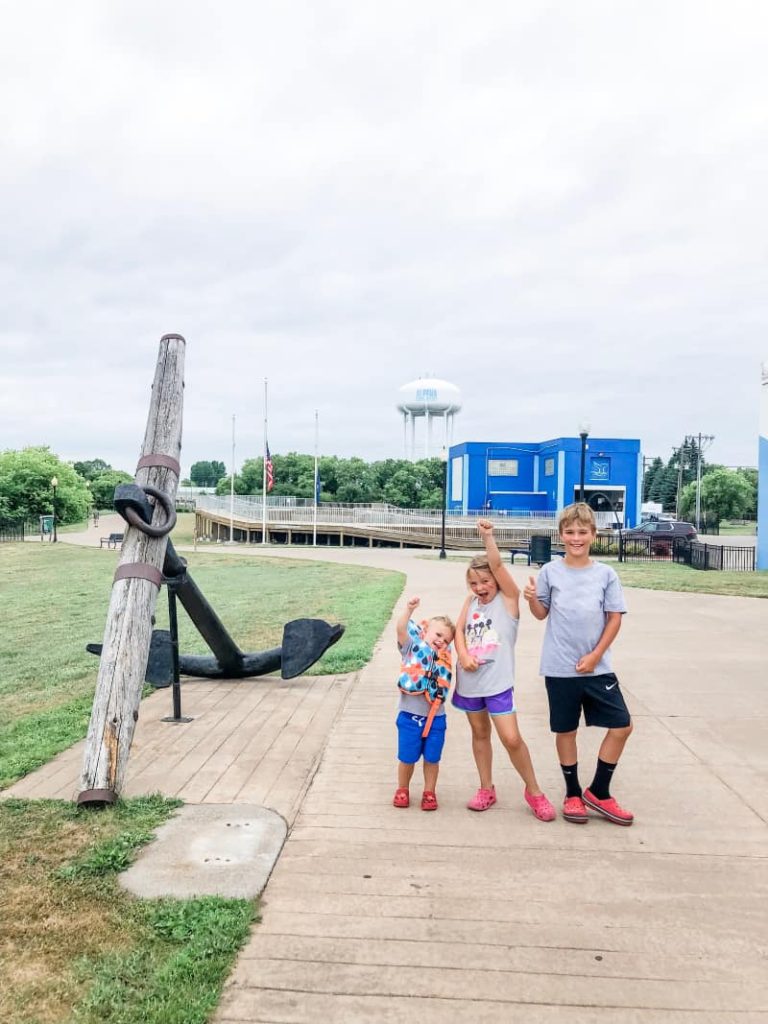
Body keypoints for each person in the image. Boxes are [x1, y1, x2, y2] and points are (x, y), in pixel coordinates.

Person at [523, 502, 634, 826]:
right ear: (561, 535)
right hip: (560, 667)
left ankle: (599, 790)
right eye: (569, 532)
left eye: (582, 532)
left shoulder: (605, 574)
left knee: (623, 724)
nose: (576, 538)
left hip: (597, 668)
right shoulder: (550, 572)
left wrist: (596, 655)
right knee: (566, 730)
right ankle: (573, 793)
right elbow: (541, 614)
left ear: (593, 535)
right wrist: (532, 599)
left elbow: (614, 618)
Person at [453, 519, 555, 821]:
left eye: (485, 581)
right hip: (469, 683)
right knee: (479, 733)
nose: (480, 587)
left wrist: (488, 538)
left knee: (511, 738)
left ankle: (534, 791)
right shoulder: (470, 601)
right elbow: (459, 630)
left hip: (498, 684)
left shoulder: (508, 601)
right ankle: (486, 788)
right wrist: (462, 655)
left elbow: (497, 566)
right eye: (473, 583)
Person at [393, 597, 455, 812]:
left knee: (432, 759)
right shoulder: (411, 647)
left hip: (436, 718)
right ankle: (402, 789)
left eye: (446, 640)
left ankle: (429, 792)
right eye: (438, 635)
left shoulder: (443, 658)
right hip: (409, 717)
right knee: (407, 759)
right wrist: (409, 610)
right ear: (426, 632)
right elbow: (401, 629)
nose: (440, 641)